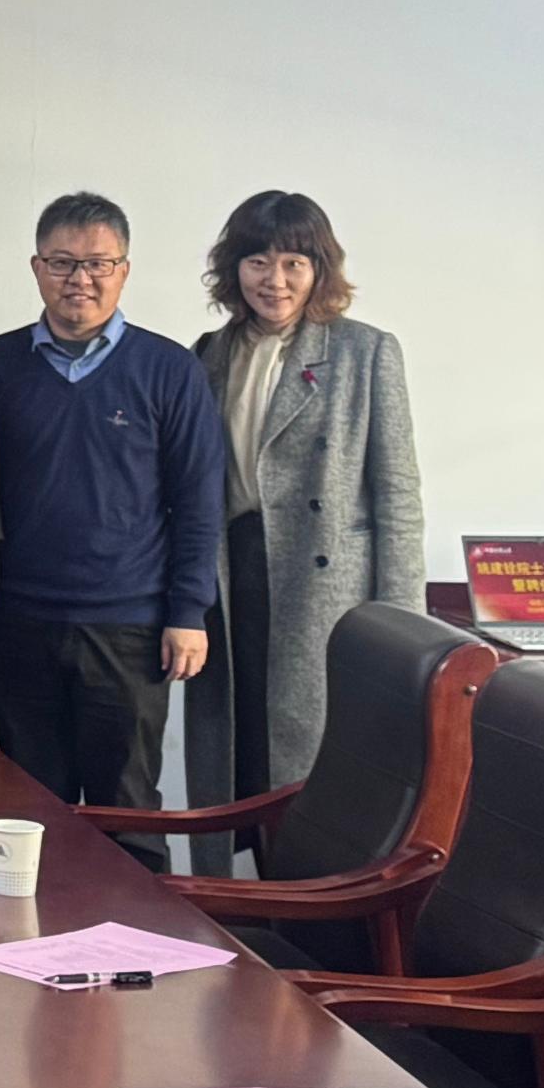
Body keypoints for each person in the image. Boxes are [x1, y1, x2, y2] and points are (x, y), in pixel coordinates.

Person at [0, 192, 222, 867]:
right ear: (36, 268)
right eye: (61, 262)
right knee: (27, 809)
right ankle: (30, 933)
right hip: (16, 623)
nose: (79, 278)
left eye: (97, 263)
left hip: (129, 626)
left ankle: (136, 935)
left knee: (127, 811)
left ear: (124, 271)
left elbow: (199, 501)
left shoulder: (170, 370)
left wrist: (188, 612)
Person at [186, 190, 425, 870]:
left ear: (320, 269)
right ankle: (241, 908)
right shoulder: (207, 354)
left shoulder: (364, 352)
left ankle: (316, 909)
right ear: (233, 268)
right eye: (258, 261)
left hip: (324, 591)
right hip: (231, 575)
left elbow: (398, 495)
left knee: (319, 768)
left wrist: (405, 632)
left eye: (294, 262)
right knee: (239, 754)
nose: (275, 280)